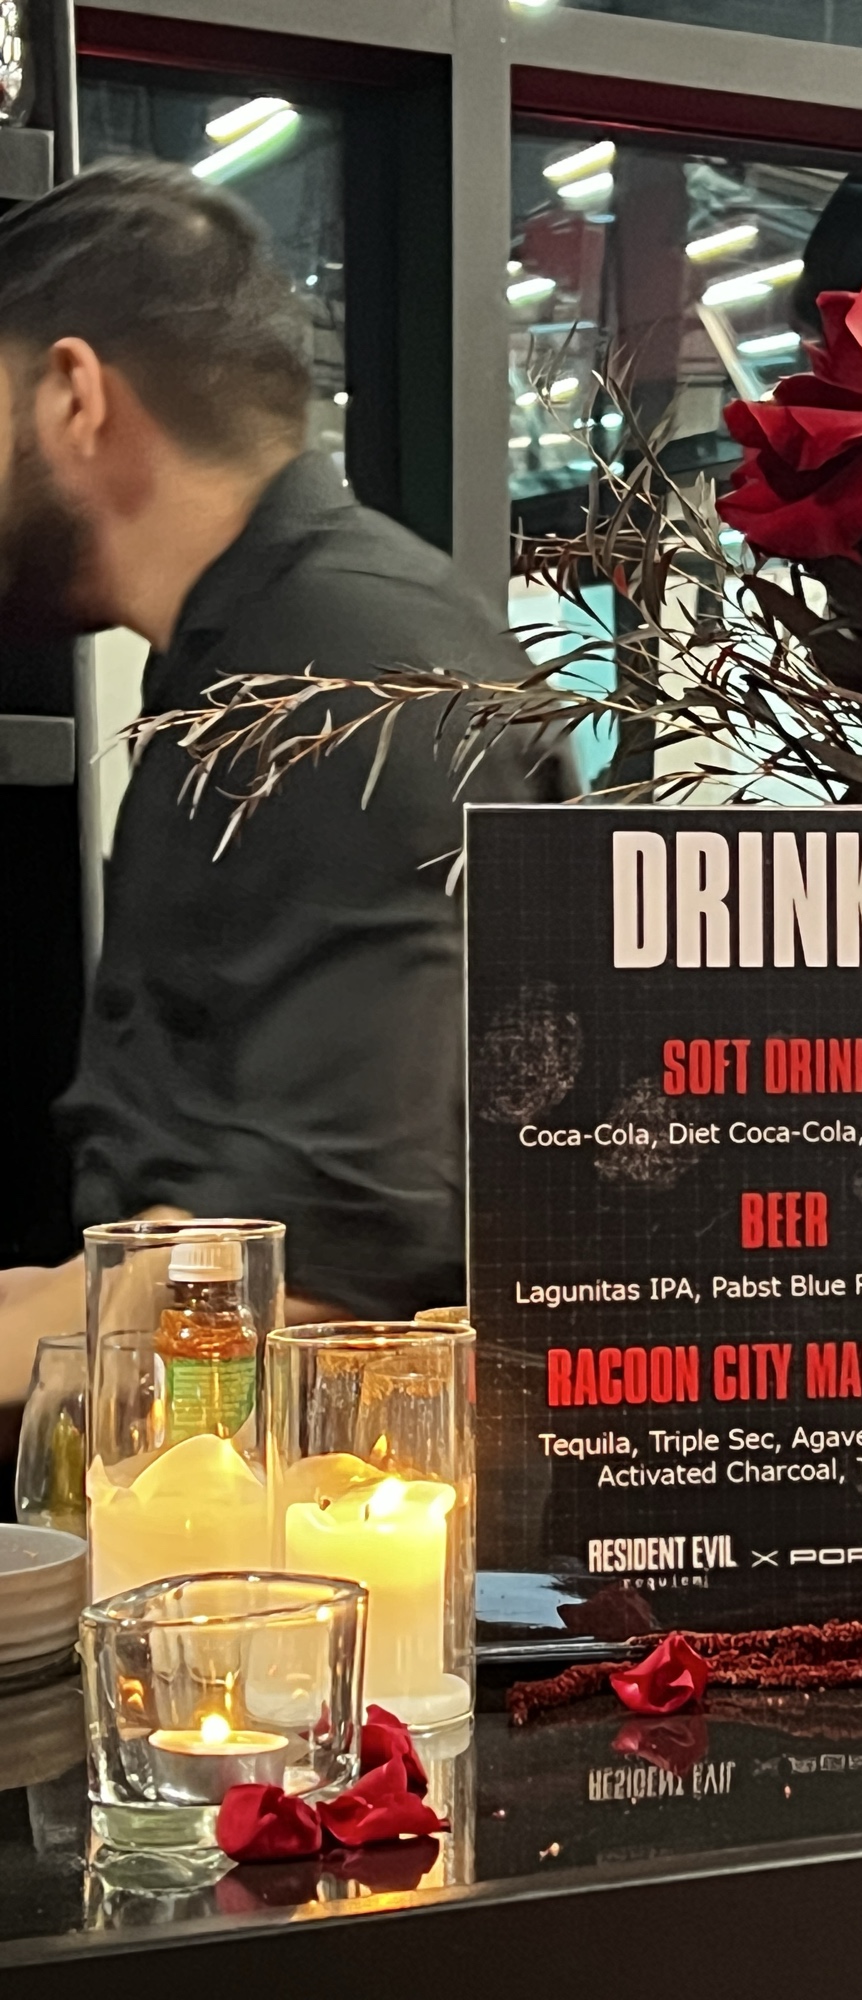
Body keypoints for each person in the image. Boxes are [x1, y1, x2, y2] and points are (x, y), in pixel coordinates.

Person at [0, 159, 565, 1401]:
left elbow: (334, 1254)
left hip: (318, 1494)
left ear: (74, 397)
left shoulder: (344, 678)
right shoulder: (249, 657)